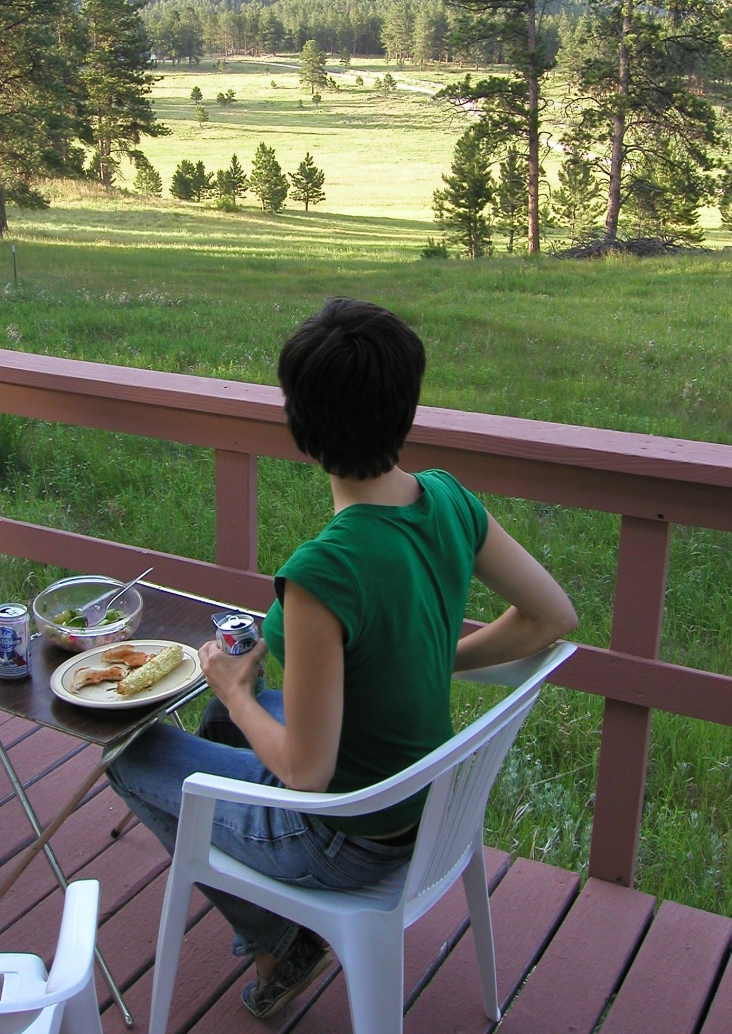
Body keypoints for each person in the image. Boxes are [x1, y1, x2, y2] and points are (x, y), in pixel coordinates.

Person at [107, 297, 577, 1020]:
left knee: (132, 755)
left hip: (348, 837)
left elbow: (306, 772)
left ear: (302, 426)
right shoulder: (449, 500)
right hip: (430, 805)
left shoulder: (323, 573)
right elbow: (553, 616)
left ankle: (277, 939)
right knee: (220, 718)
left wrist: (235, 688)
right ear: (406, 409)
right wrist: (430, 661)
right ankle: (242, 868)